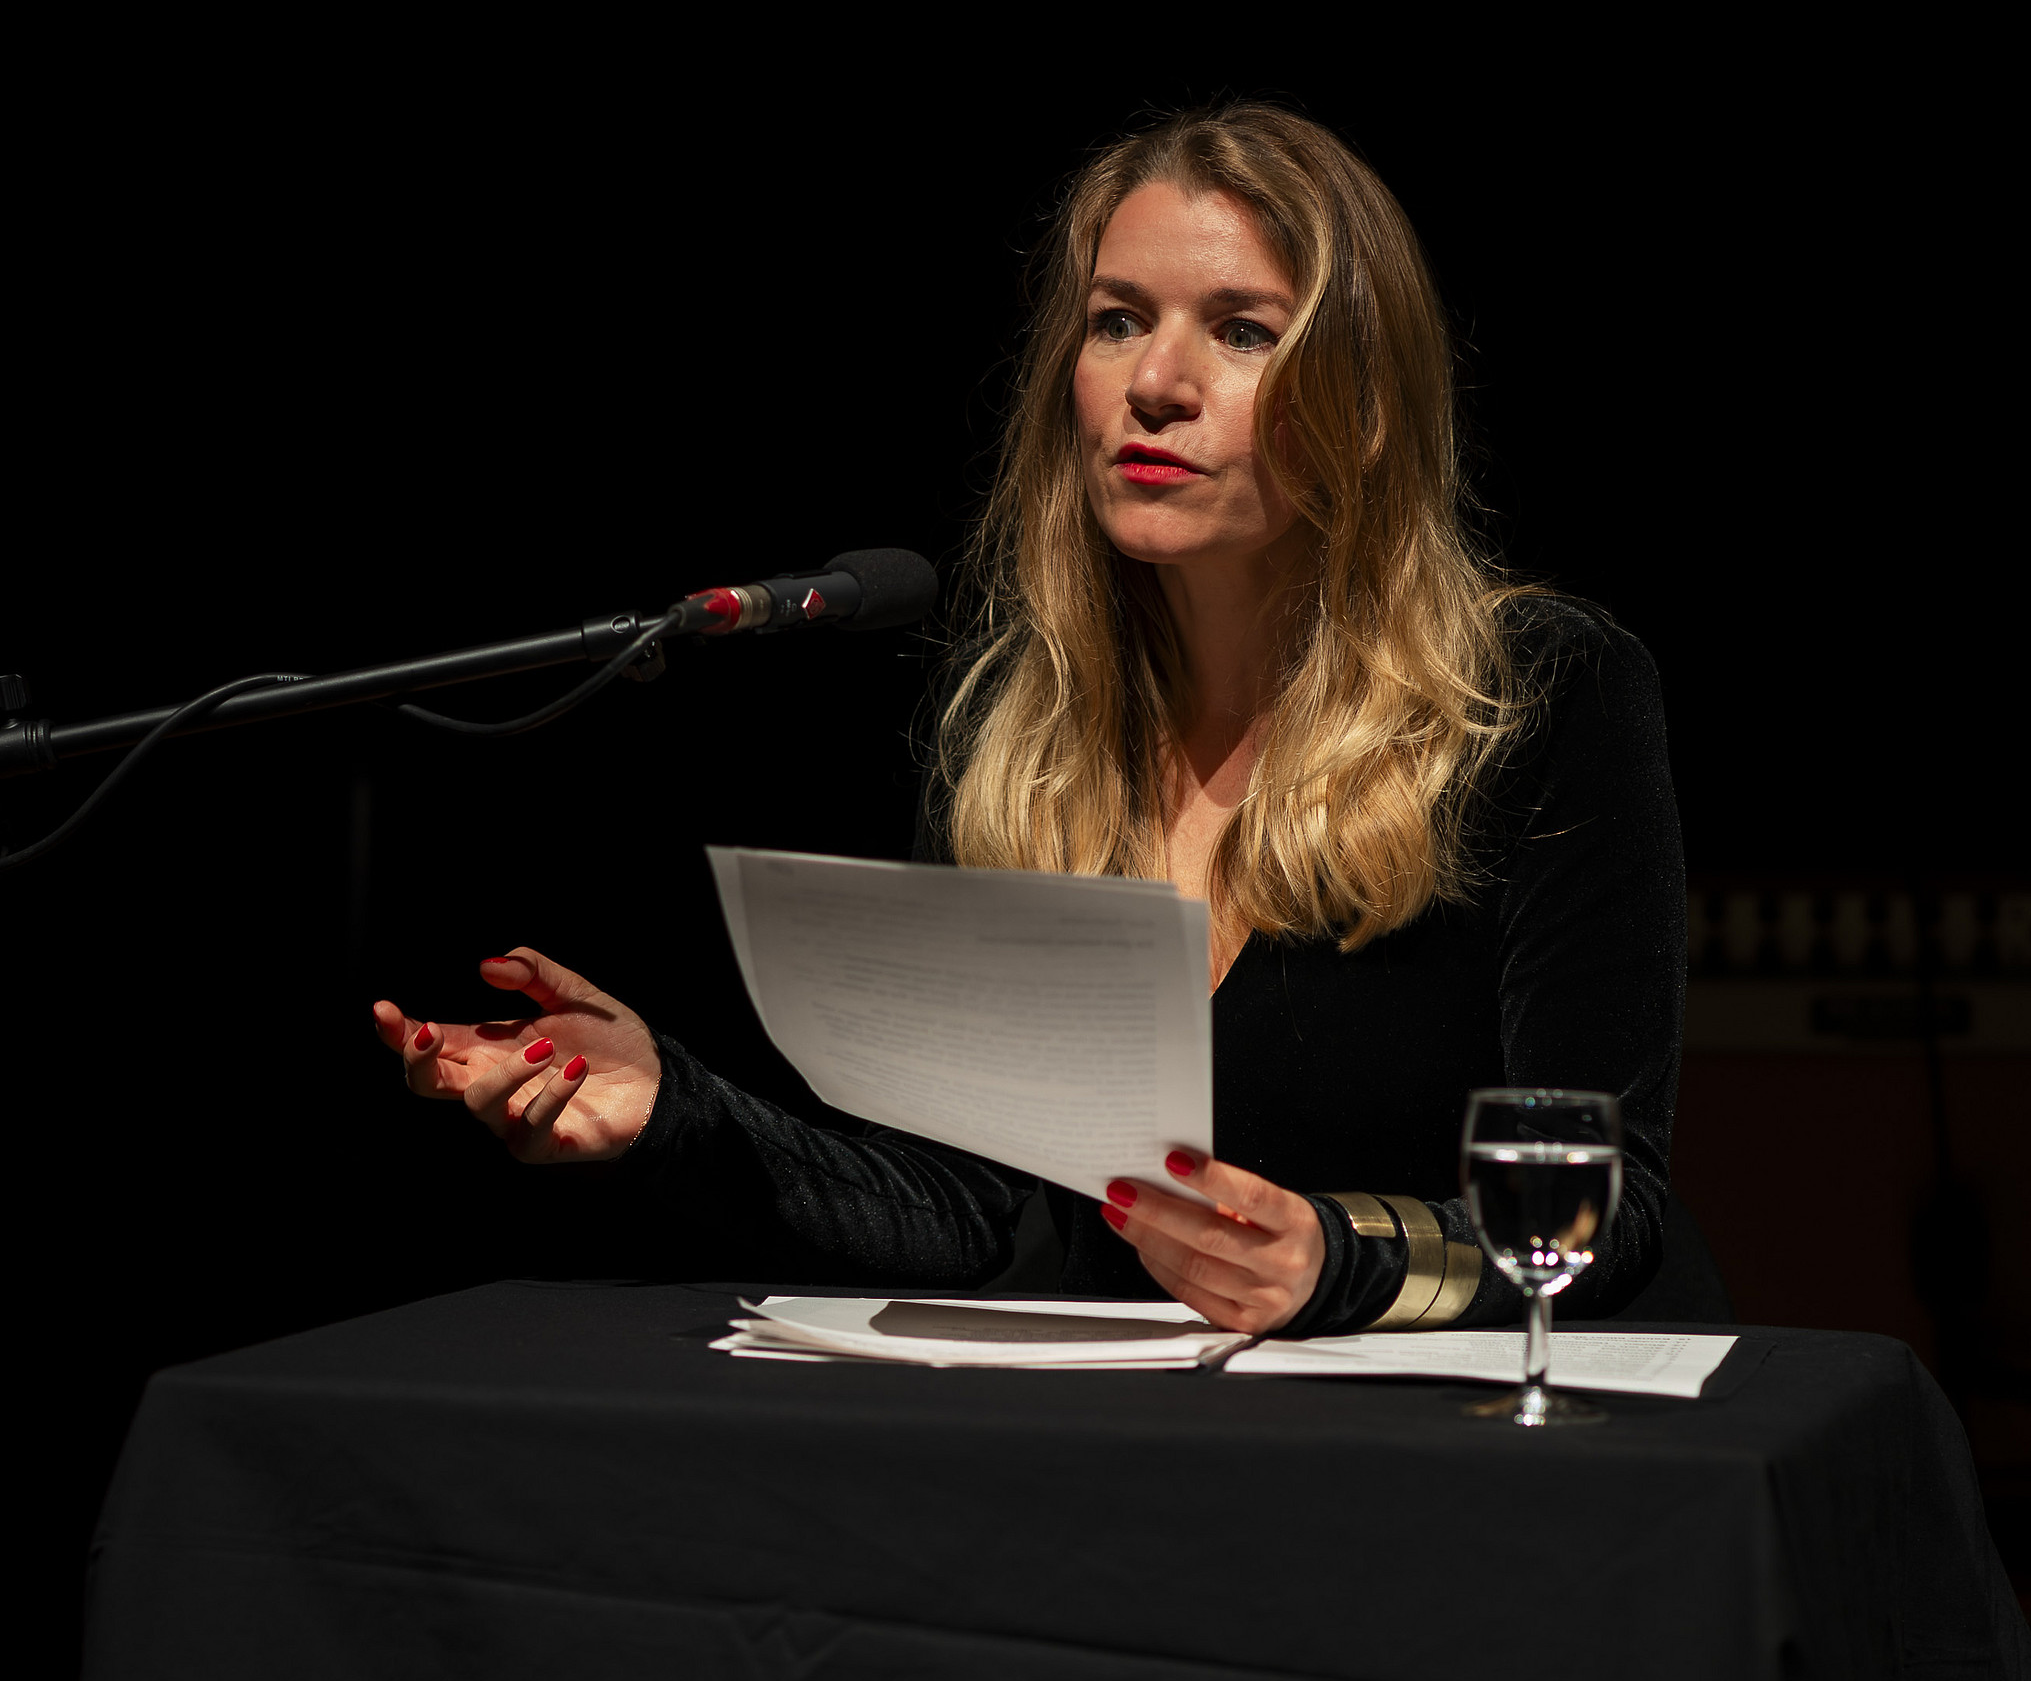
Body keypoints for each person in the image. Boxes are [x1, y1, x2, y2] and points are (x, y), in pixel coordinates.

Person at [371, 105, 1686, 1337]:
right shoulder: (1026, 744)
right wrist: (673, 1110)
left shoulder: (1536, 695)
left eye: (1242, 332)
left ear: (1368, 398)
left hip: (1469, 1444)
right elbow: (969, 1210)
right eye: (1117, 321)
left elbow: (1608, 1210)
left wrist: (1339, 1260)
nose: (1156, 381)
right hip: (1134, 1445)